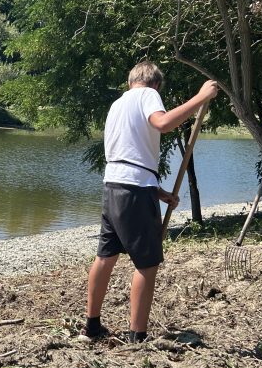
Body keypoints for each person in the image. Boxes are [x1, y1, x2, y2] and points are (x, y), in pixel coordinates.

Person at [83, 60, 218, 343]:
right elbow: (163, 123)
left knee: (106, 257)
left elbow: (127, 153)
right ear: (155, 83)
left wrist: (156, 191)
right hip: (134, 191)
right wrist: (201, 97)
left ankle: (92, 326)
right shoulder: (148, 94)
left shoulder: (117, 104)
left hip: (113, 187)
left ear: (131, 80)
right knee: (147, 265)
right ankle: (138, 335)